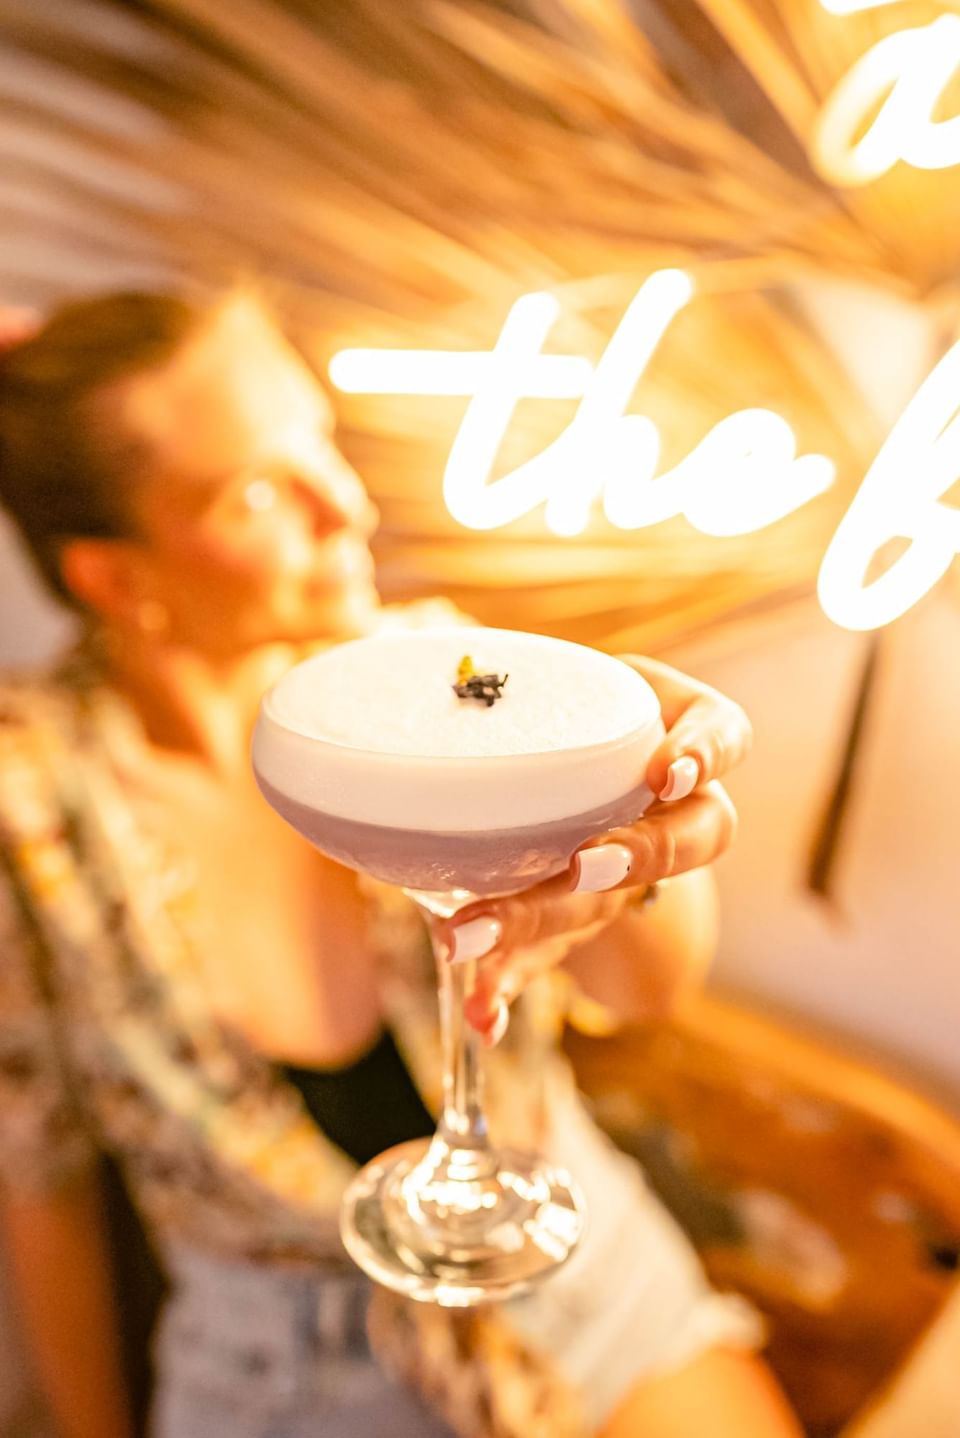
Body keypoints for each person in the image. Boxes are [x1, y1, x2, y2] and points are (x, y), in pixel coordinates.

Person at [0, 290, 803, 1438]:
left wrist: (638, 799)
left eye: (318, 437)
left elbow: (651, 990)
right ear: (116, 579)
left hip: (580, 1283)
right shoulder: (28, 808)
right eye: (261, 492)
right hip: (283, 1379)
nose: (348, 505)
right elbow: (42, 1174)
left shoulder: (451, 679)